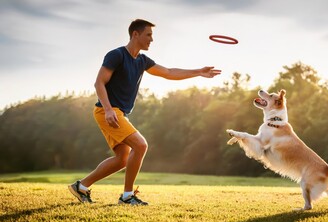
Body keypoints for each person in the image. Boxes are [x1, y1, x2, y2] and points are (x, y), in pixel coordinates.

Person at [68, 19, 221, 205]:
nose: (152, 40)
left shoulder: (142, 61)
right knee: (141, 145)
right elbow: (99, 82)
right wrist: (108, 110)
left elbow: (169, 72)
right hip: (107, 111)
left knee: (122, 159)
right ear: (135, 34)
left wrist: (198, 72)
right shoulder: (116, 55)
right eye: (148, 35)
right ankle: (127, 196)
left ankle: (81, 186)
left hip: (119, 113)